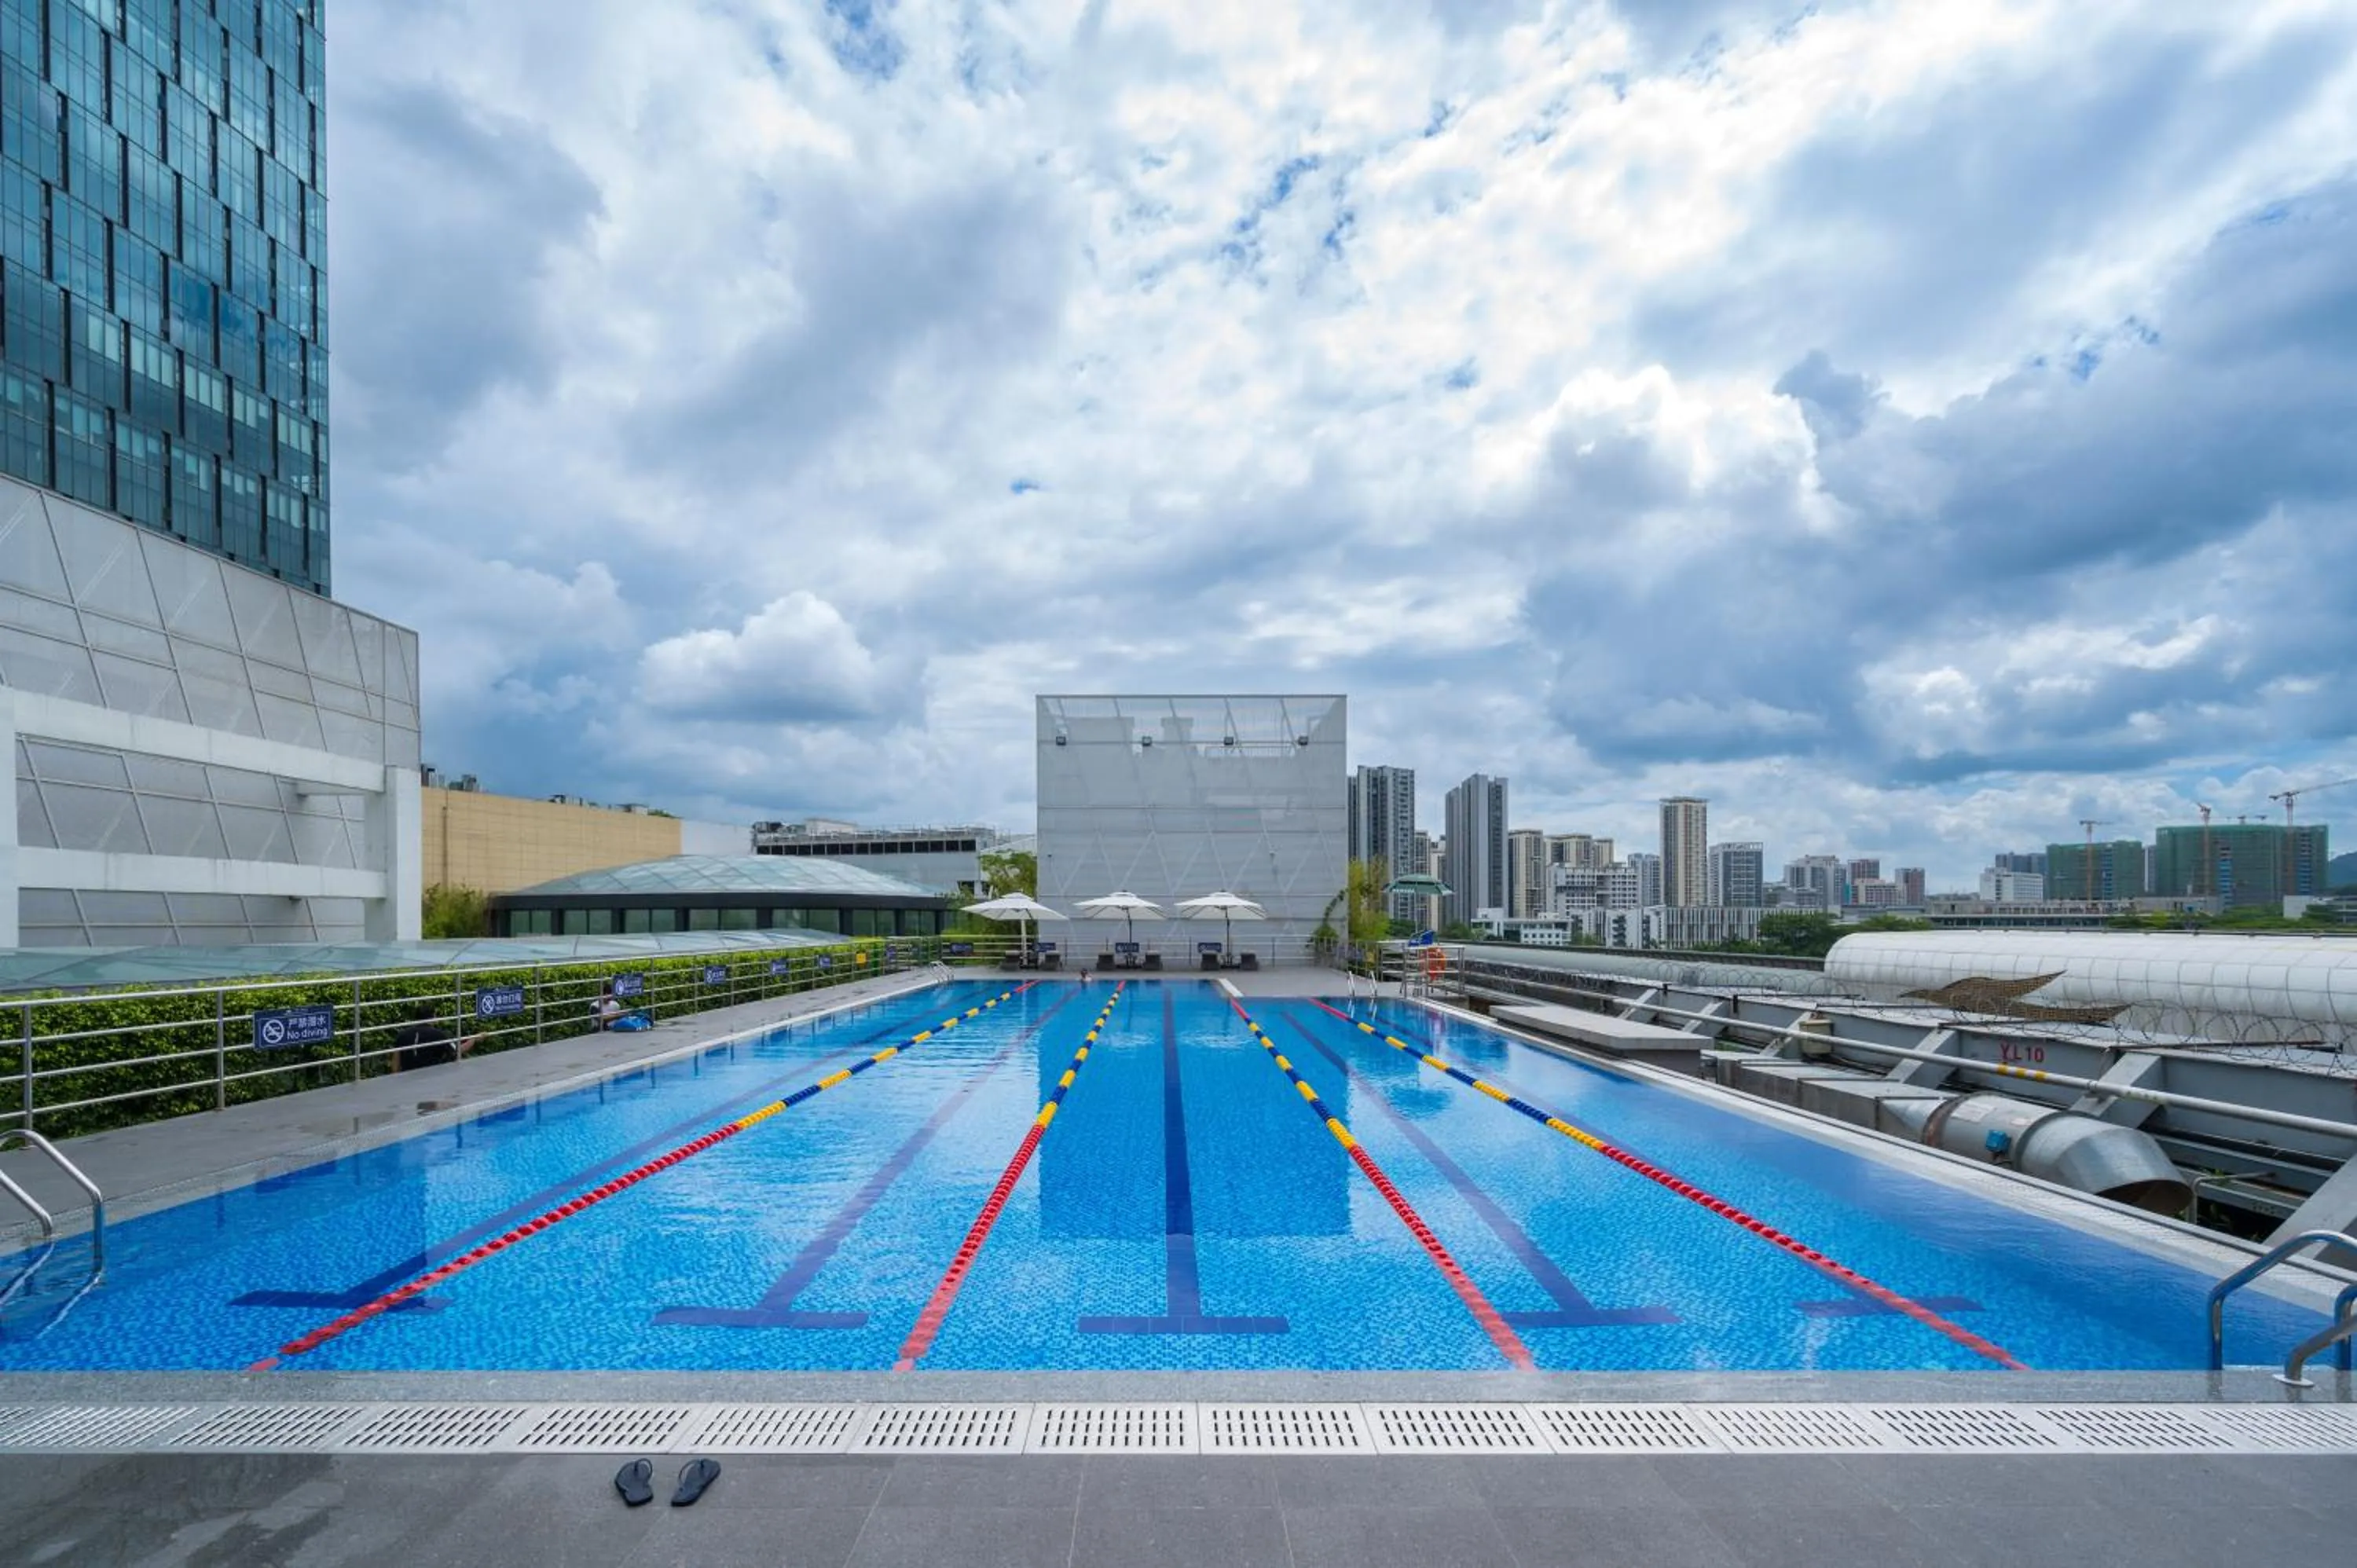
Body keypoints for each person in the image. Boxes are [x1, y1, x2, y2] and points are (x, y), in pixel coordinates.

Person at [391, 1020, 477, 1072]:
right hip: (431, 1077)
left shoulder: (402, 1035)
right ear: (433, 1018)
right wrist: (474, 1039)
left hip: (407, 1078)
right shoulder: (438, 1034)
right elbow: (457, 1051)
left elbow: (395, 1063)